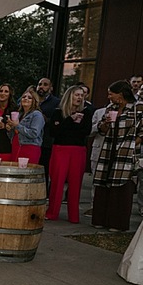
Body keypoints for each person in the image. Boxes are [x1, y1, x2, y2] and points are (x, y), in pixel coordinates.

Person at [91, 80, 143, 232]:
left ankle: (117, 223)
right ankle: (100, 219)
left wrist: (132, 144)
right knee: (103, 182)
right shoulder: (111, 108)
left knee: (122, 186)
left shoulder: (138, 107)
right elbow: (101, 129)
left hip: (127, 151)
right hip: (109, 149)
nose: (109, 97)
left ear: (120, 94)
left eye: (111, 94)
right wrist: (105, 124)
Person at [44, 85, 92, 223]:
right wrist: (70, 120)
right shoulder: (58, 112)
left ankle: (74, 215)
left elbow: (86, 132)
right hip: (60, 149)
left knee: (75, 183)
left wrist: (66, 127)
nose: (79, 97)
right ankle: (52, 212)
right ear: (69, 96)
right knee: (57, 182)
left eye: (81, 95)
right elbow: (54, 132)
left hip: (78, 150)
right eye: (77, 95)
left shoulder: (86, 113)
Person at [7, 87, 45, 163]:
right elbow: (13, 135)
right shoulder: (19, 114)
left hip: (29, 148)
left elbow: (34, 133)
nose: (26, 98)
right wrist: (9, 129)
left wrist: (17, 125)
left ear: (34, 101)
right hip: (16, 146)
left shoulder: (37, 115)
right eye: (24, 97)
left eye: (29, 98)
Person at [37, 78, 60, 191]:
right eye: (40, 84)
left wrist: (46, 119)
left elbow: (58, 121)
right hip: (31, 141)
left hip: (46, 141)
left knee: (43, 169)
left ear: (51, 88)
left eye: (45, 85)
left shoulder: (56, 102)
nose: (41, 86)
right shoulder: (32, 99)